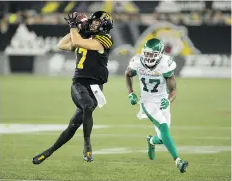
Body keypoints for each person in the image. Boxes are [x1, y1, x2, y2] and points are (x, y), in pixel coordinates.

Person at [32, 11, 113, 164]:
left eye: (97, 22)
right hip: (79, 84)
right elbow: (61, 45)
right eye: (93, 21)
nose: (93, 23)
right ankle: (87, 144)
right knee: (87, 106)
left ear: (105, 25)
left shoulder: (105, 39)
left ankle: (49, 152)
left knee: (73, 125)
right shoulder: (83, 35)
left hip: (96, 89)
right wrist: (78, 30)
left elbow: (77, 43)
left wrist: (74, 28)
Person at [125, 38, 189, 173]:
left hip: (162, 100)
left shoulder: (166, 64)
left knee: (162, 137)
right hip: (147, 101)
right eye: (147, 53)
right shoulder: (137, 61)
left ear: (159, 54)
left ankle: (151, 141)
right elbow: (128, 74)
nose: (148, 57)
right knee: (164, 128)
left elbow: (173, 91)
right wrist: (131, 93)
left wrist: (169, 100)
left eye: (152, 54)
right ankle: (178, 161)